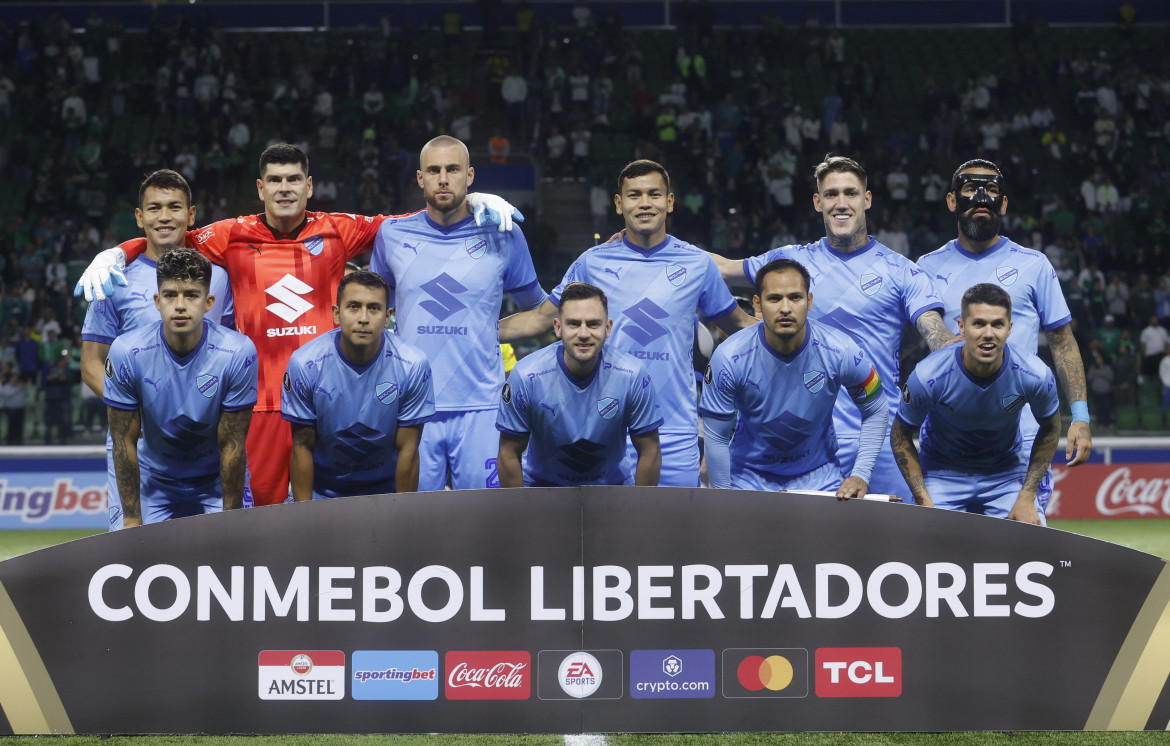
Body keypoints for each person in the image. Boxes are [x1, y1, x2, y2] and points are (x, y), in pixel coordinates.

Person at [77, 143, 520, 506]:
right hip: (259, 406)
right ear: (260, 188)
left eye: (293, 179)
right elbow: (167, 231)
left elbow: (412, 224)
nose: (284, 188)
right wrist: (118, 252)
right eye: (275, 180)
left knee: (335, 520)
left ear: (309, 186)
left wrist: (471, 200)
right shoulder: (230, 235)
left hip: (330, 407)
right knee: (259, 524)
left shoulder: (338, 230)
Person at [498, 159, 757, 487]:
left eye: (654, 194)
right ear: (619, 204)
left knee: (670, 537)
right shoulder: (592, 262)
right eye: (634, 195)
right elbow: (539, 319)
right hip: (607, 432)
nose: (645, 203)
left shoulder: (697, 264)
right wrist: (477, 332)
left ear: (670, 201)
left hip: (674, 432)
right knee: (608, 537)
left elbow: (739, 325)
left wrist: (808, 333)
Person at [708, 155, 953, 501]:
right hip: (806, 447)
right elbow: (718, 267)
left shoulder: (902, 271)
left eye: (851, 193)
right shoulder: (790, 264)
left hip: (879, 439)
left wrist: (950, 347)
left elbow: (933, 331)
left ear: (866, 200)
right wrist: (653, 244)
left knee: (894, 547)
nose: (841, 203)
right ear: (817, 202)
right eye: (831, 194)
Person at [370, 135, 547, 492]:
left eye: (453, 169)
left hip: (481, 407)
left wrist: (487, 331)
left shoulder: (503, 233)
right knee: (413, 525)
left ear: (470, 176)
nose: (443, 178)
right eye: (433, 170)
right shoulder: (391, 234)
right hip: (412, 406)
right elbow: (372, 307)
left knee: (485, 526)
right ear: (420, 178)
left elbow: (540, 312)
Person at [917, 159, 1092, 476]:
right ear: (952, 200)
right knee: (945, 529)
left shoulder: (1034, 265)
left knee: (1020, 527)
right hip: (947, 443)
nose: (982, 198)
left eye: (992, 190)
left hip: (1023, 440)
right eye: (970, 188)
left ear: (1004, 203)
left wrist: (1080, 416)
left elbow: (1063, 342)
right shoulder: (925, 269)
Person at [80, 169, 234, 530]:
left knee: (221, 558)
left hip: (207, 446)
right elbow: (90, 364)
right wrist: (136, 412)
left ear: (191, 215)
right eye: (154, 208)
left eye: (174, 207)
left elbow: (233, 355)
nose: (164, 216)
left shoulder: (220, 277)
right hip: (139, 446)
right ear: (139, 217)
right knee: (133, 557)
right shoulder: (114, 279)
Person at [701, 258, 887, 496]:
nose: (785, 308)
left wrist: (861, 473)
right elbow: (716, 436)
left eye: (795, 297)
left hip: (819, 479)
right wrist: (722, 496)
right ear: (758, 304)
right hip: (748, 479)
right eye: (774, 298)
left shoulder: (842, 350)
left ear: (809, 301)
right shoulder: (728, 358)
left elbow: (877, 408)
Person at [104, 249, 257, 527]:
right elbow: (123, 442)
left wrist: (232, 522)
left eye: (191, 295)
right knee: (133, 557)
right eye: (170, 295)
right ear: (157, 301)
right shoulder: (127, 351)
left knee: (232, 557)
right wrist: (131, 519)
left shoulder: (237, 352)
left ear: (209, 302)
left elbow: (233, 445)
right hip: (154, 480)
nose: (180, 305)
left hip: (214, 480)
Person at [890, 283, 1060, 524]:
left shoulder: (1035, 375)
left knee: (1033, 543)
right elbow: (900, 434)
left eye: (997, 324)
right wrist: (923, 500)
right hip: (942, 472)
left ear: (1009, 329)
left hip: (1006, 473)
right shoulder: (928, 375)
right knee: (923, 542)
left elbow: (1051, 427)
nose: (988, 333)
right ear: (961, 326)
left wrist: (1027, 496)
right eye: (979, 323)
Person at [282, 271, 434, 500]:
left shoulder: (413, 364)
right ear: (336, 313)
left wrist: (403, 518)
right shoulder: (305, 364)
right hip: (323, 491)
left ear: (387, 316)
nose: (363, 318)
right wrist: (306, 519)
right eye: (353, 306)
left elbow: (408, 451)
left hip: (386, 492)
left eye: (374, 308)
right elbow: (302, 448)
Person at [496, 282, 662, 487]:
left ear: (608, 328)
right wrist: (522, 516)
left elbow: (650, 450)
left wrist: (639, 512)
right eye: (574, 323)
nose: (583, 333)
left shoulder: (633, 375)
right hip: (543, 489)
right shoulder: (526, 375)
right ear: (557, 327)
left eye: (593, 324)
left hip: (612, 490)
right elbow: (508, 452)